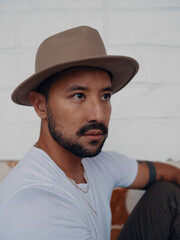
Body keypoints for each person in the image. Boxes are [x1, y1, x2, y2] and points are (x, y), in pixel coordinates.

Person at [0, 26, 179, 240]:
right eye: (78, 96)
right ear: (40, 105)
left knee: (168, 196)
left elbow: (166, 173)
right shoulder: (36, 208)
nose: (98, 114)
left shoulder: (98, 164)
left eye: (105, 96)